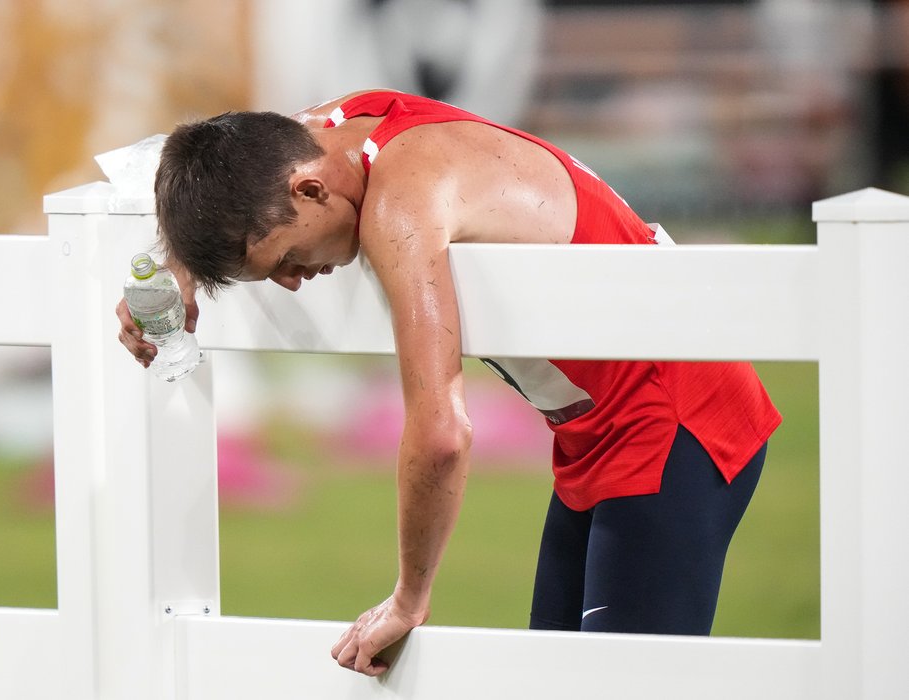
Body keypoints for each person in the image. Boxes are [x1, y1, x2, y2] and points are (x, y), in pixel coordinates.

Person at [116, 89, 782, 677]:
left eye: (286, 258)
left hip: (675, 418)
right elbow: (204, 162)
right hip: (597, 429)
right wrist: (172, 263)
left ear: (312, 190)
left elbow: (440, 434)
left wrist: (409, 597)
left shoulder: (402, 210)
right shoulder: (331, 130)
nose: (292, 281)